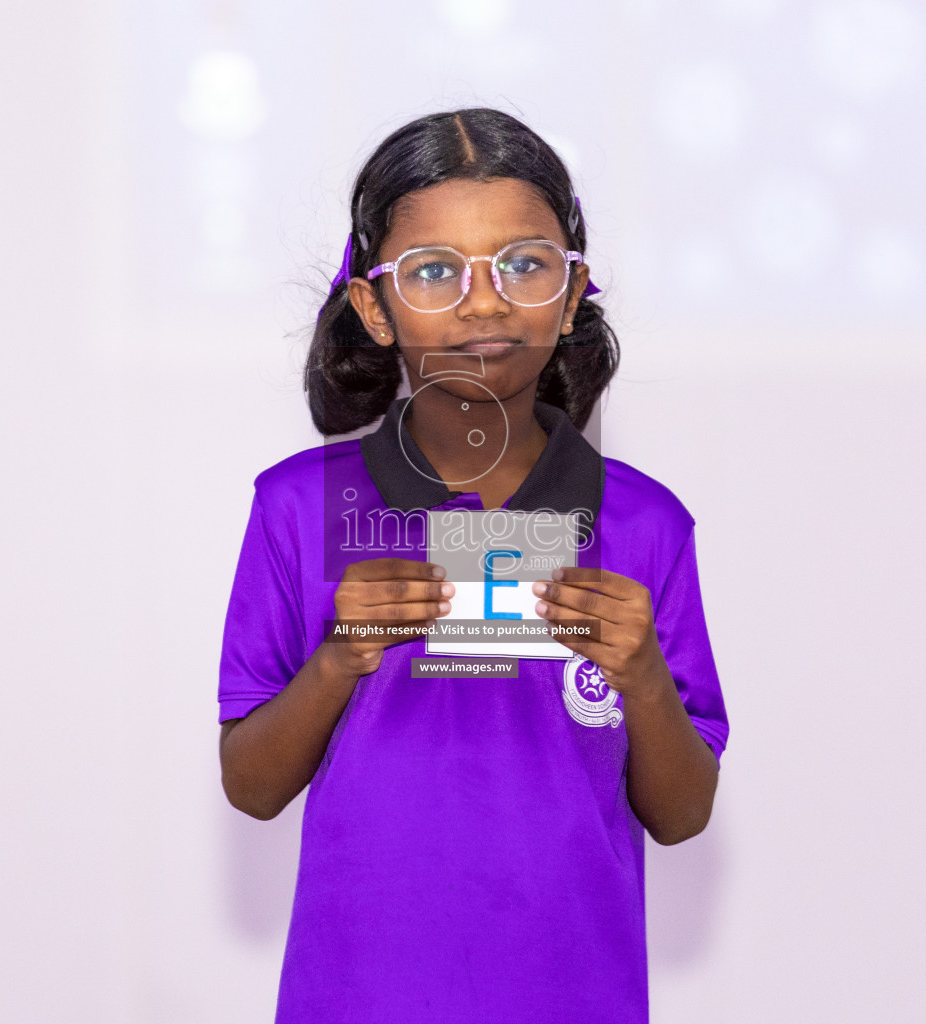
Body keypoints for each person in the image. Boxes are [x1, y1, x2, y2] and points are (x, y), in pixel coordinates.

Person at [217, 108, 729, 1024]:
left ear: (571, 293)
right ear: (374, 308)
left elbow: (684, 814)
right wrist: (339, 656)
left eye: (523, 264)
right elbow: (250, 787)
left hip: (577, 998)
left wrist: (643, 676)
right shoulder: (298, 509)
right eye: (434, 271)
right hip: (358, 997)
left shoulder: (645, 524)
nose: (484, 303)